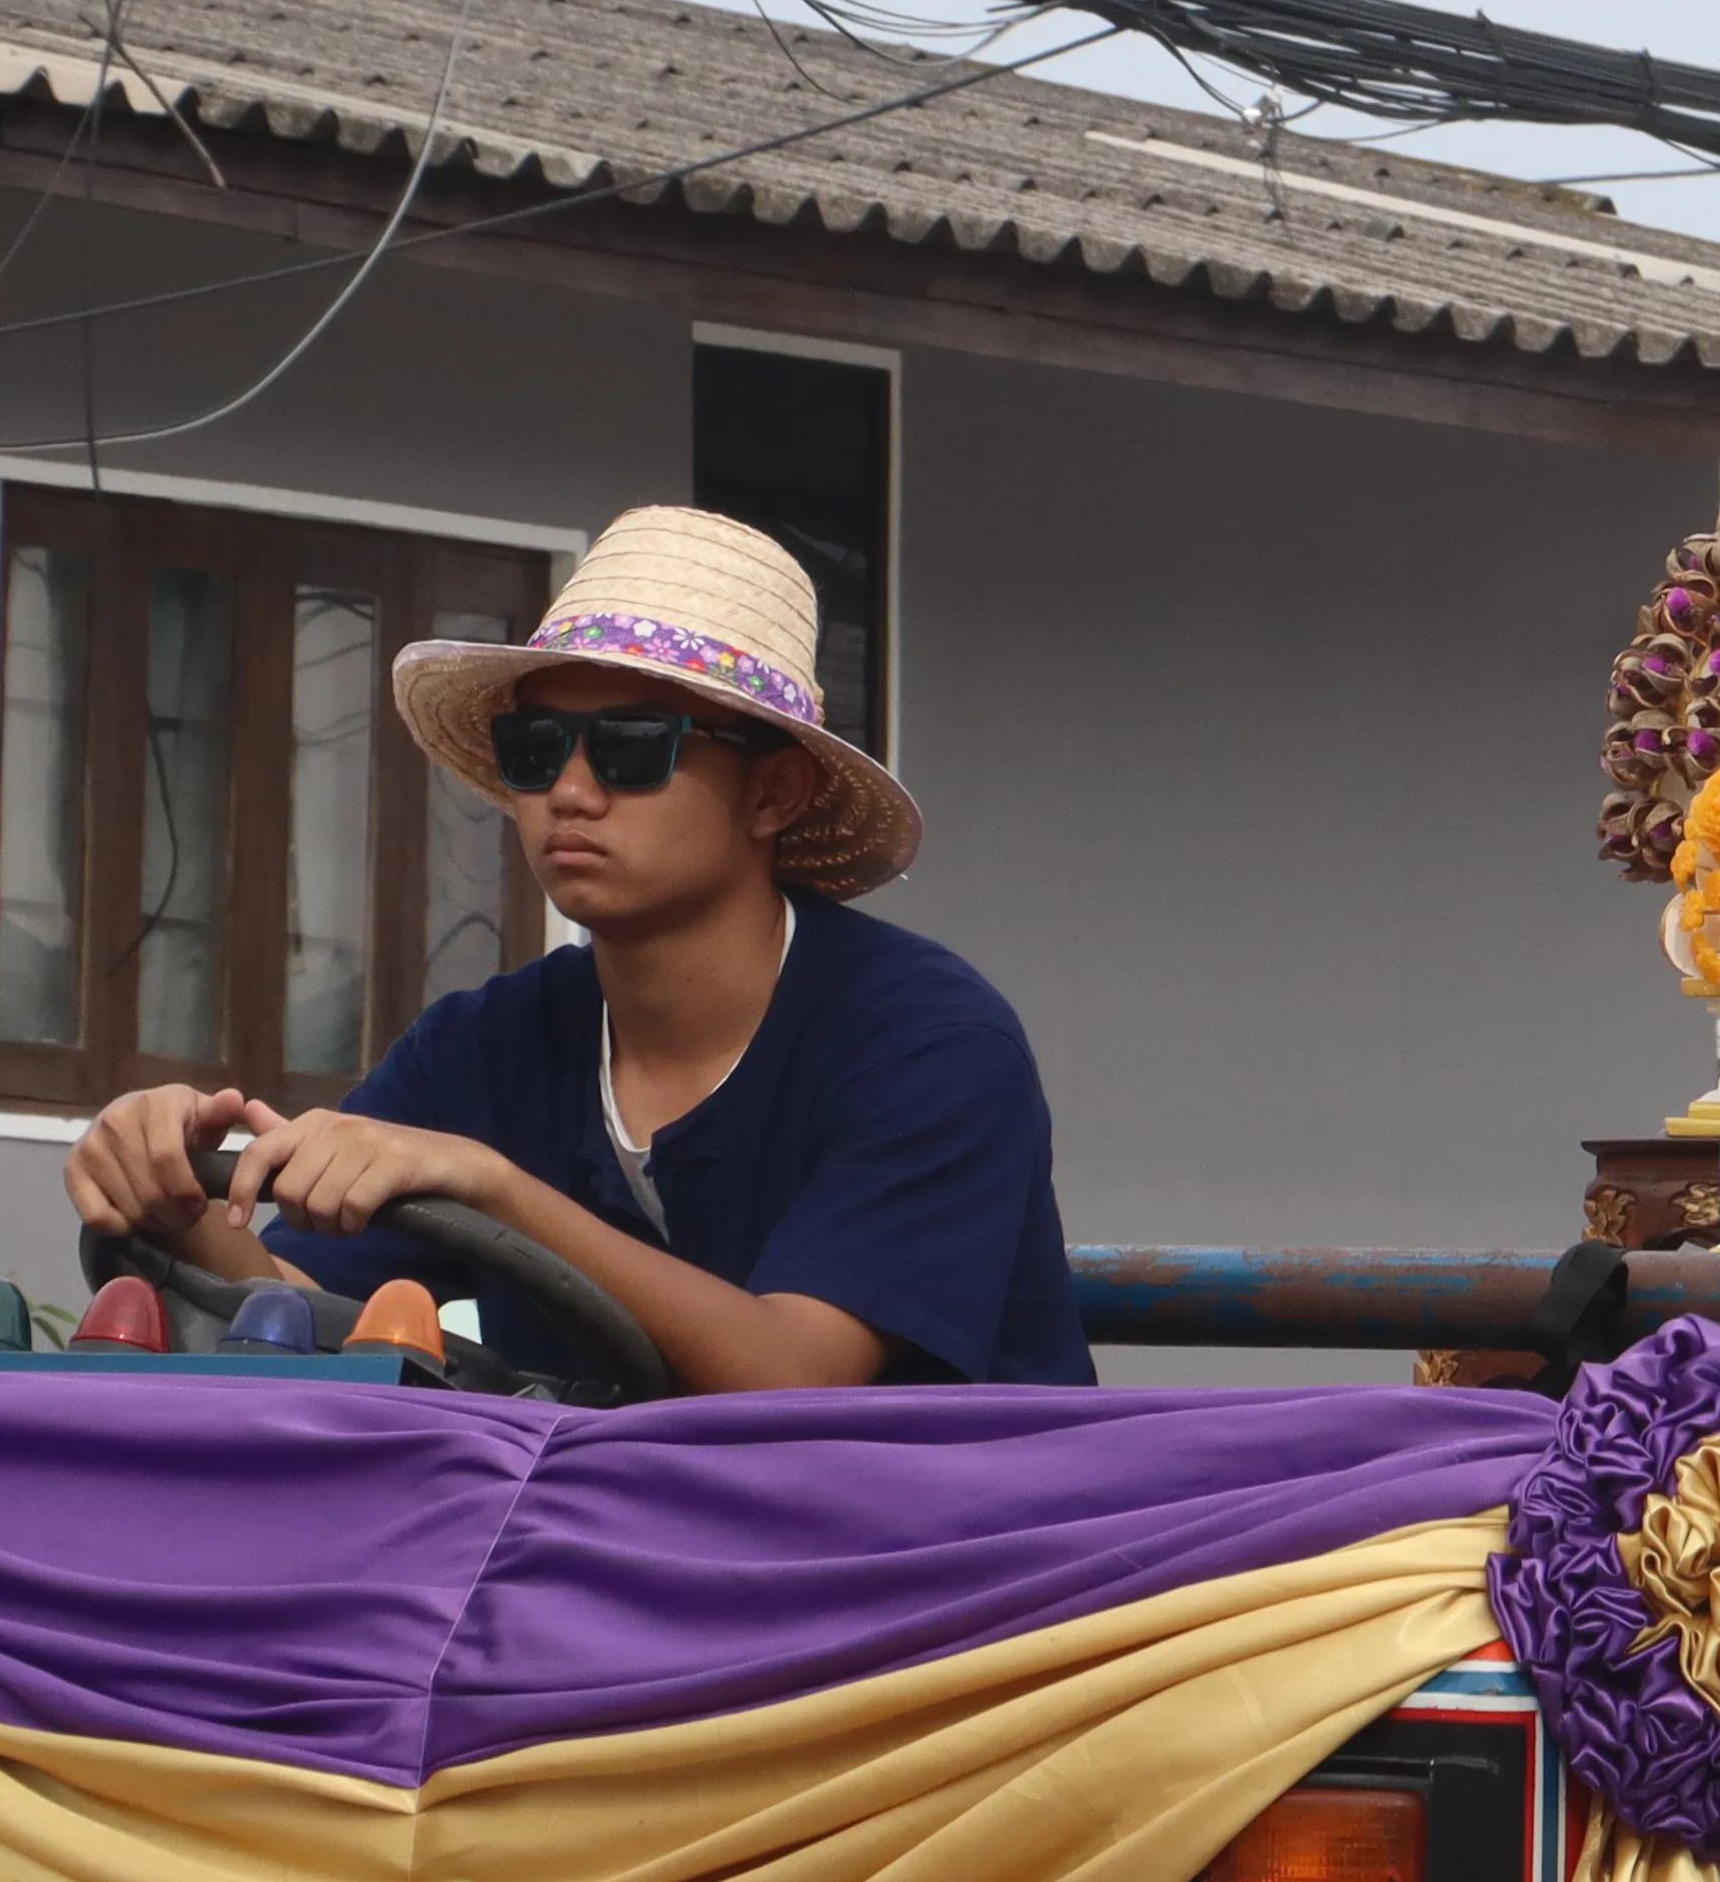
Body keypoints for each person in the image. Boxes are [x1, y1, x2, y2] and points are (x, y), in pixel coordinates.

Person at [59, 504, 1091, 1390]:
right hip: (603, 1573)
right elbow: (298, 1304)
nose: (571, 791)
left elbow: (794, 1374)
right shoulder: (490, 1041)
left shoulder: (930, 1044)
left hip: (947, 1585)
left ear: (774, 792)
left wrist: (493, 1187)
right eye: (535, 749)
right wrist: (173, 1190)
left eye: (637, 747)